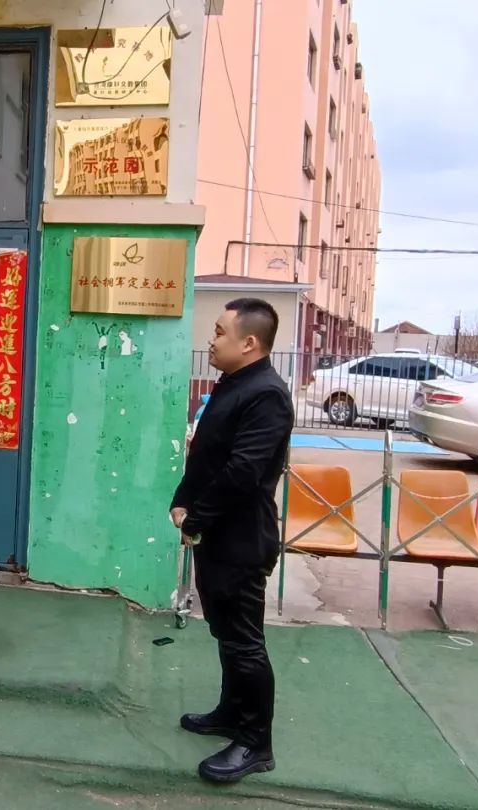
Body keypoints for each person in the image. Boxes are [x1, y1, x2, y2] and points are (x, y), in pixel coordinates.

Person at [169, 298, 294, 784]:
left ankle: (255, 742)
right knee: (225, 632)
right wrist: (182, 500)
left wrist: (195, 517)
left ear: (249, 343)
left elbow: (244, 471)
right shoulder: (233, 383)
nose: (211, 339)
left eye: (220, 332)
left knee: (244, 642)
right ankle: (230, 712)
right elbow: (205, 454)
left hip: (242, 538)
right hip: (218, 533)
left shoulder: (267, 395)